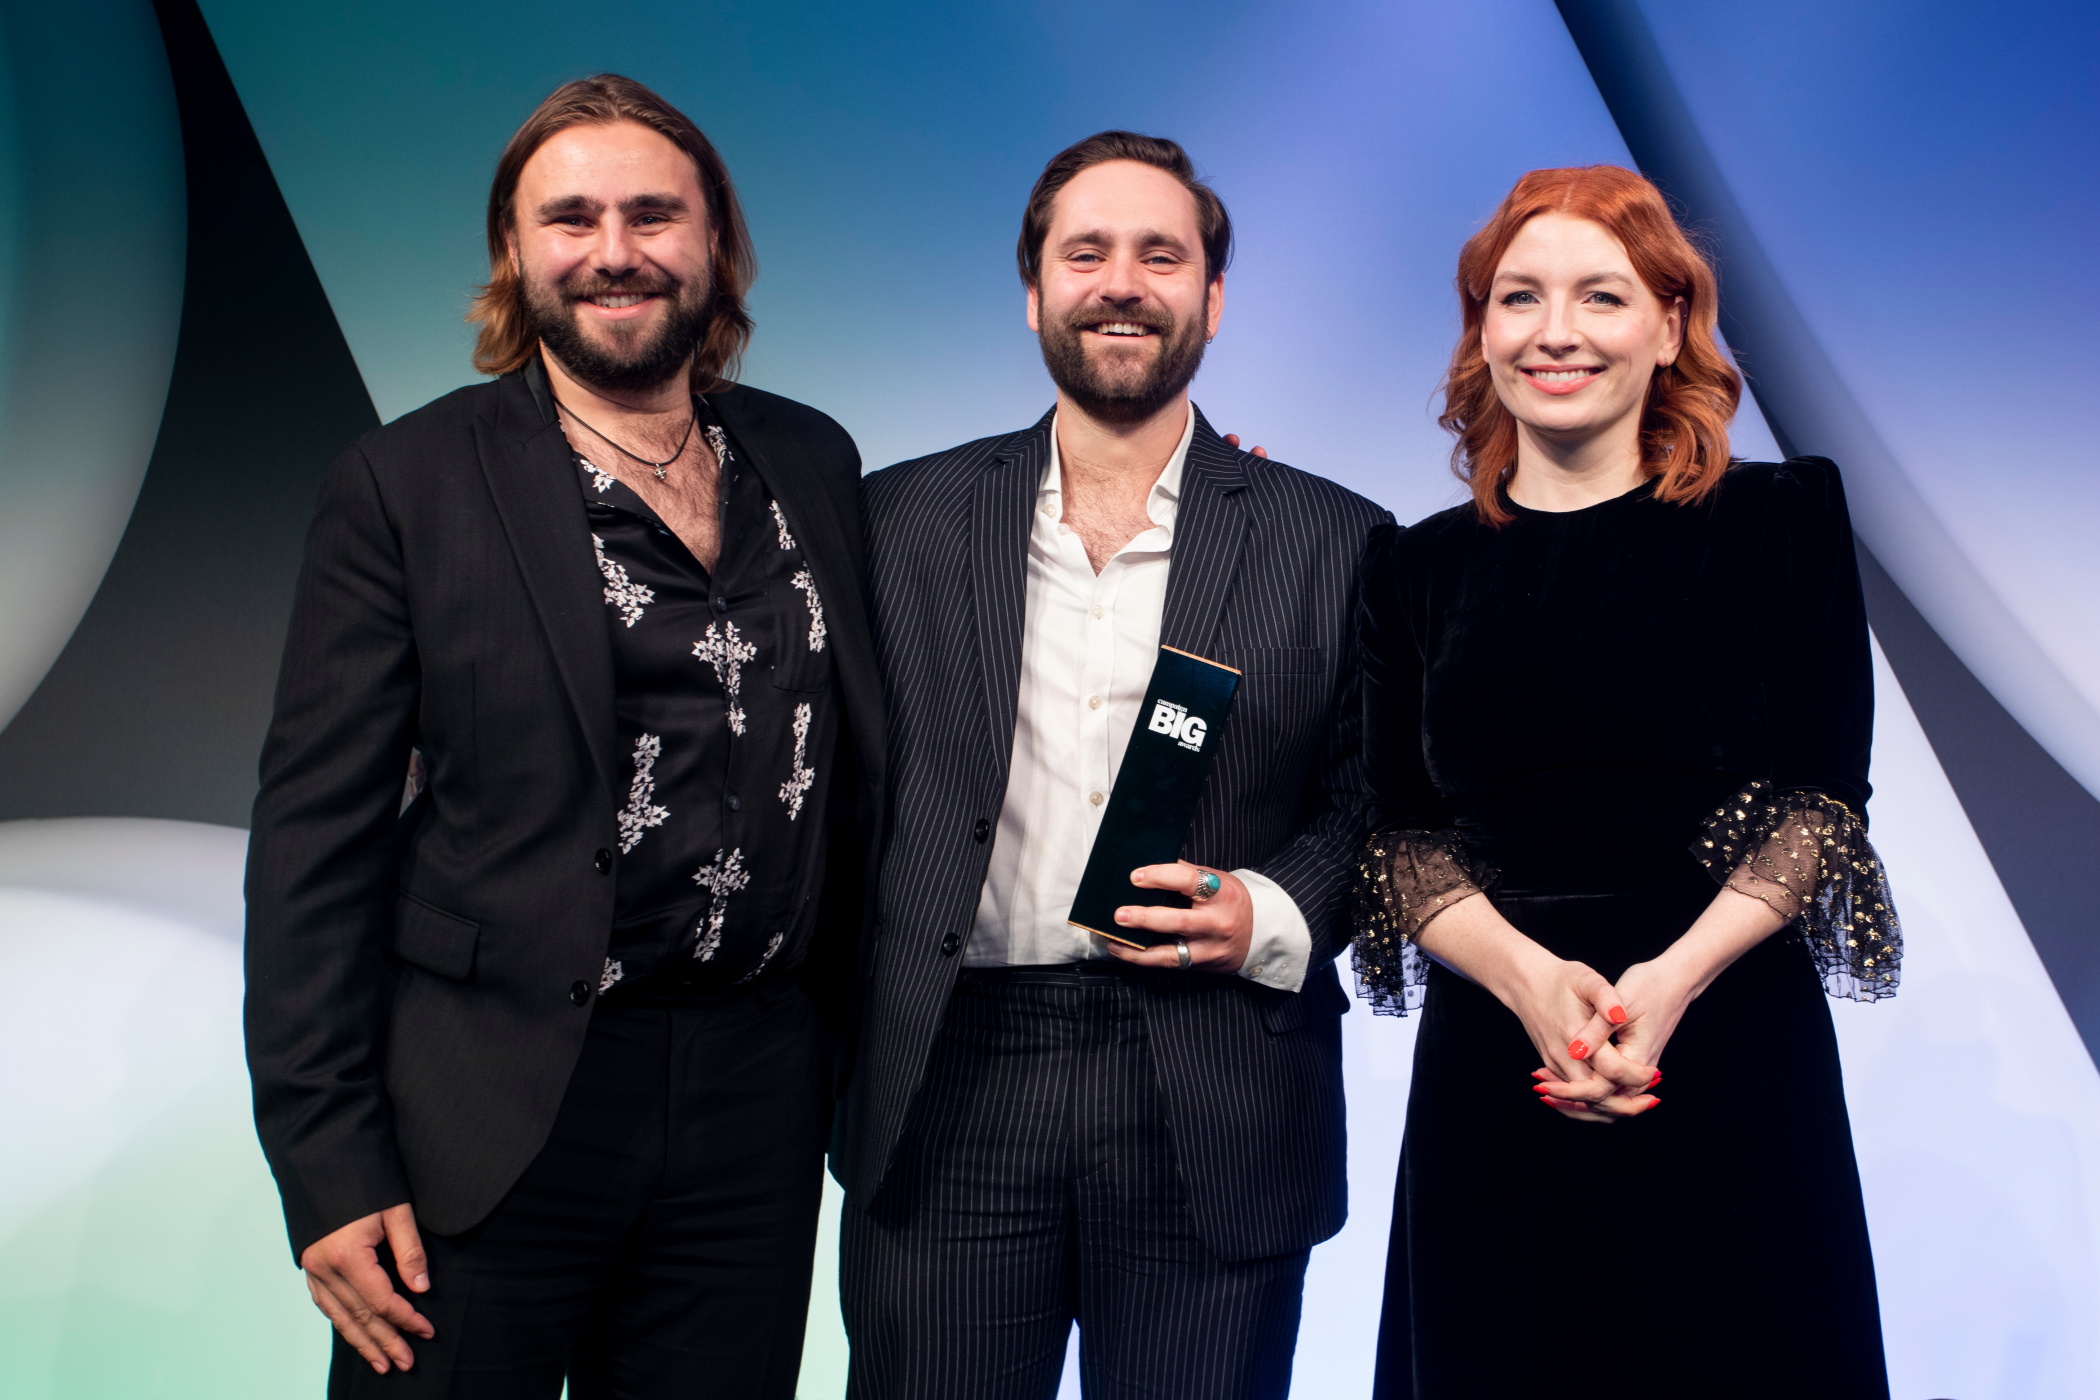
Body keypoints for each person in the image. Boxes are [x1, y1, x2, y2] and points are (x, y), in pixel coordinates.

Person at [243, 74, 882, 1398]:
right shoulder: (405, 483)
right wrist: (327, 1166)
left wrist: (1198, 497)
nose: (614, 251)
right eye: (571, 218)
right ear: (514, 249)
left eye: (653, 215)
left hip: (757, 1103)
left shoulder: (812, 458)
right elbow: (314, 844)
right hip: (490, 1104)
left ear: (716, 242)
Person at [836, 131, 1389, 1400]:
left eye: (1161, 255)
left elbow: (1377, 796)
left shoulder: (1340, 537)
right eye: (1086, 253)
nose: (1122, 283)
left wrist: (1273, 908)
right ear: (1034, 291)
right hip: (951, 1074)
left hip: (1221, 1072)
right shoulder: (894, 521)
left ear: (1213, 297)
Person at [1355, 164, 1899, 1399]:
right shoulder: (1410, 568)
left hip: (1730, 1048)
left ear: (1669, 325)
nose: (1555, 331)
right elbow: (1399, 837)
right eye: (1519, 297)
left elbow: (1823, 800)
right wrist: (1534, 985)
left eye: (1601, 295)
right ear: (1481, 330)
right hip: (1500, 1060)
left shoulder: (1782, 518)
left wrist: (1668, 983)